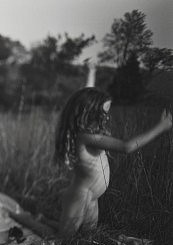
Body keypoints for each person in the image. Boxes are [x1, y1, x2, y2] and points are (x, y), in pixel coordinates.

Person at [54, 87, 172, 237]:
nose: (107, 118)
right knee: (63, 242)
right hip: (80, 196)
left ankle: (42, 220)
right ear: (88, 113)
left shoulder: (92, 135)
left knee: (89, 237)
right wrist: (161, 127)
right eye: (103, 113)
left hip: (92, 197)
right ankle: (28, 220)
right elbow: (126, 146)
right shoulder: (85, 136)